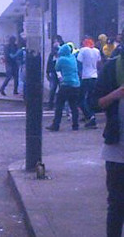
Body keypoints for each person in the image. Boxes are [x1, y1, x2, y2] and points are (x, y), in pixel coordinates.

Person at [93, 48, 124, 237]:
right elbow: (94, 103)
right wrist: (117, 93)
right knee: (117, 205)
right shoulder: (113, 67)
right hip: (118, 151)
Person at [46, 43, 80, 131]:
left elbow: (57, 68)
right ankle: (75, 125)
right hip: (76, 84)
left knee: (59, 105)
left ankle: (56, 125)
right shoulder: (73, 58)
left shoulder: (61, 59)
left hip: (66, 84)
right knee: (74, 105)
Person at [77, 38, 101, 128]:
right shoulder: (97, 51)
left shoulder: (83, 50)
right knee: (90, 98)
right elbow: (99, 63)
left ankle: (90, 116)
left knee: (80, 99)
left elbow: (79, 62)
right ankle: (90, 116)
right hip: (95, 76)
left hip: (86, 77)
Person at [46, 45, 59, 110]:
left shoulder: (60, 56)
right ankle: (50, 105)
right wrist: (47, 72)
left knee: (58, 89)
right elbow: (49, 64)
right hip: (54, 73)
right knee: (52, 89)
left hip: (59, 73)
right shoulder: (51, 55)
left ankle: (58, 105)